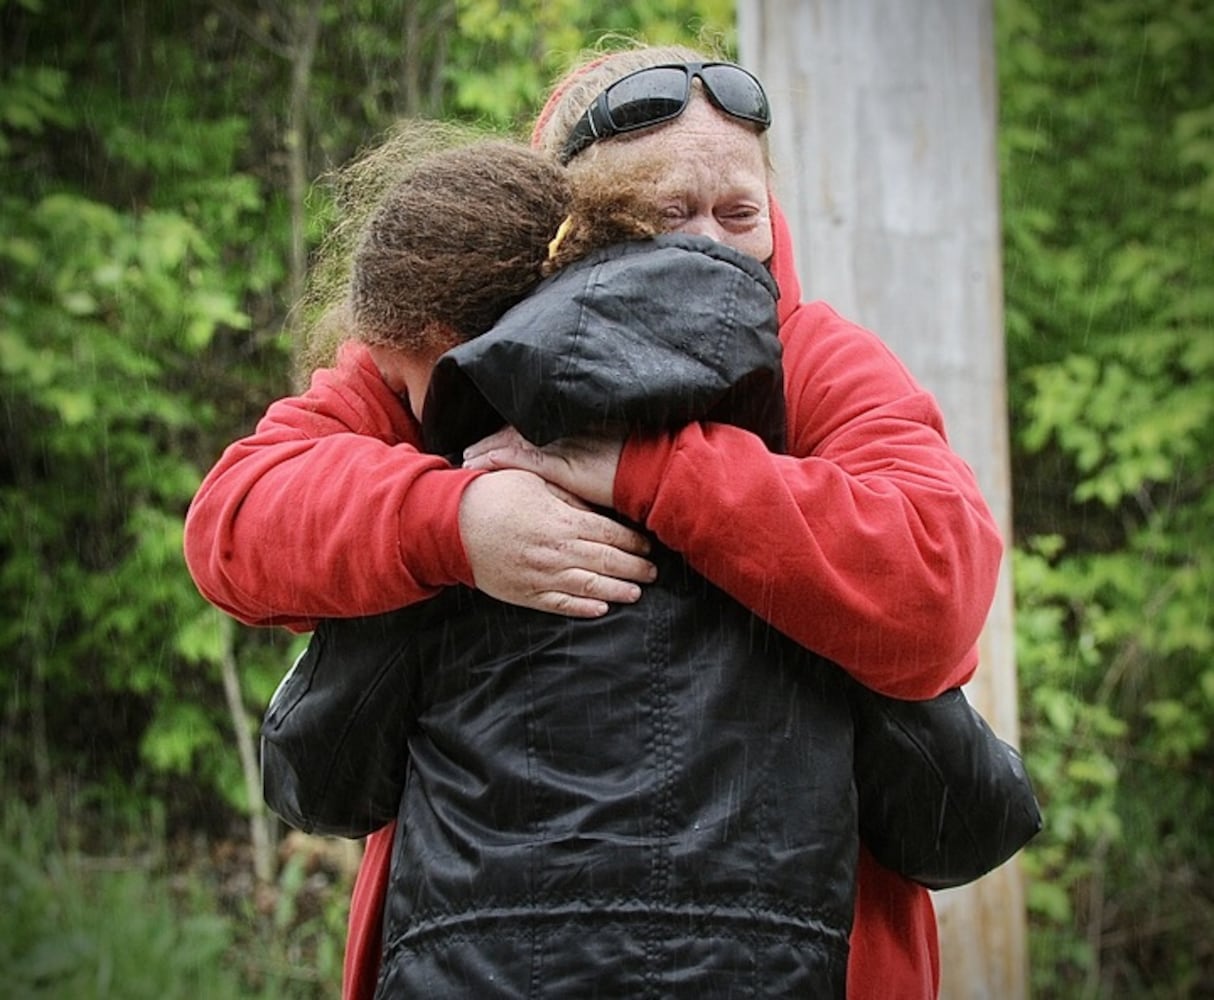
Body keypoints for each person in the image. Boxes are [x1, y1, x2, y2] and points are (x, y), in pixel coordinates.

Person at [184, 44, 1005, 1000]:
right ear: (564, 224)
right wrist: (456, 519)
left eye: (739, 213)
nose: (709, 243)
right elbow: (236, 525)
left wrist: (650, 471)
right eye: (666, 212)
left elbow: (937, 586)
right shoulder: (454, 339)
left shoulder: (814, 356)